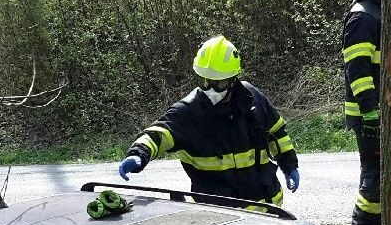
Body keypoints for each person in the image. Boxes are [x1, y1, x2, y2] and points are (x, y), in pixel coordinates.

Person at [118, 35, 299, 210]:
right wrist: (139, 153)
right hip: (223, 219)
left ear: (232, 79)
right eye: (204, 81)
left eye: (217, 83)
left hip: (269, 209)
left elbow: (278, 133)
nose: (210, 89)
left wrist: (289, 166)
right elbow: (158, 134)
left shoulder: (253, 99)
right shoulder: (189, 112)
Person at [342, 0, 382, 225]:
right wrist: (370, 110)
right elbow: (358, 69)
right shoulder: (363, 17)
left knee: (382, 170)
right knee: (374, 171)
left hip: (379, 110)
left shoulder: (377, 12)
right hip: (368, 112)